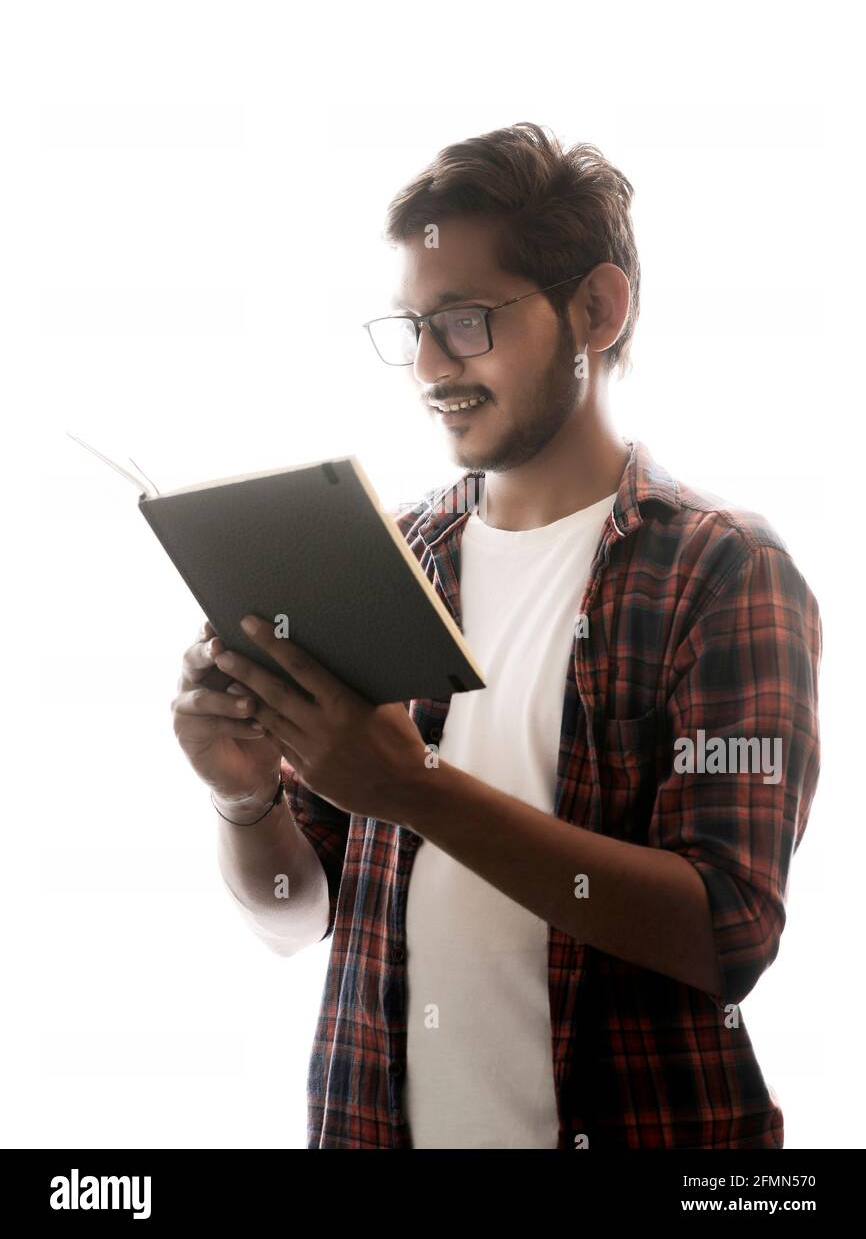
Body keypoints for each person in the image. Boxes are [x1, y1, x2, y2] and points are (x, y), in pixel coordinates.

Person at [171, 122, 822, 1149]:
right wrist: (244, 795)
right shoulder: (388, 559)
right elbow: (298, 914)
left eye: (465, 320)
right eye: (412, 327)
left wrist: (410, 787)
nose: (428, 365)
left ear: (595, 310)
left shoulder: (720, 569)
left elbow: (726, 928)